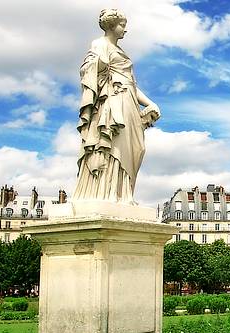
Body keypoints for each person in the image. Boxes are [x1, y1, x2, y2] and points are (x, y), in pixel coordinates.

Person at [73, 9, 161, 203]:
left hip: (129, 101)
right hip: (113, 101)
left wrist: (150, 103)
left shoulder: (121, 52)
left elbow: (132, 84)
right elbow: (88, 72)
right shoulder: (99, 45)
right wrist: (97, 65)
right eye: (122, 25)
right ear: (111, 26)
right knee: (113, 145)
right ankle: (106, 193)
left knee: (137, 148)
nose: (125, 30)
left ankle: (123, 193)